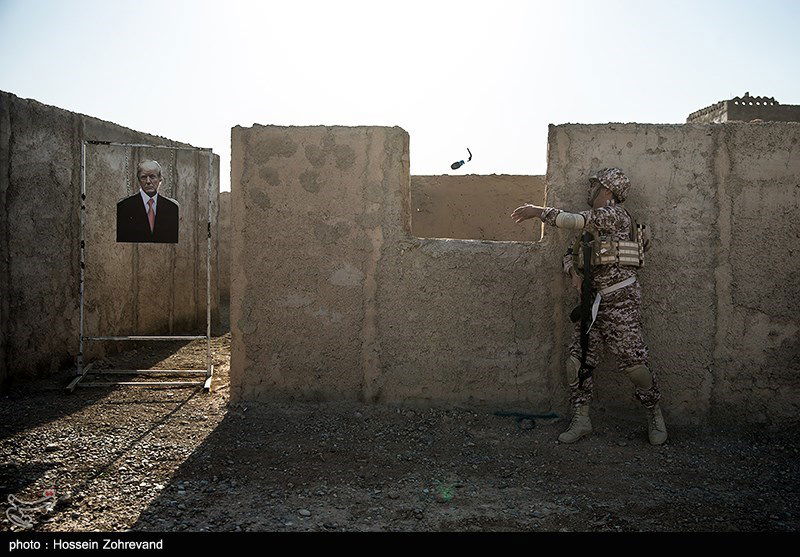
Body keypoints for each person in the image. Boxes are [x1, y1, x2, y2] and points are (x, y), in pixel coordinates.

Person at [510, 168, 667, 445]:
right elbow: (569, 255)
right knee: (577, 362)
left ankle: (654, 414)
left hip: (620, 300)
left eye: (595, 185)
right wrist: (574, 275)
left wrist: (538, 211)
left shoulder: (614, 214)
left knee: (634, 367)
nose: (590, 189)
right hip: (591, 302)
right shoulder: (593, 227)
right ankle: (581, 419)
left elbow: (571, 220)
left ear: (607, 191)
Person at [116, 160, 179, 243]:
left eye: (152, 177)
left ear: (160, 179)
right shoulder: (124, 207)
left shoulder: (172, 208)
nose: (148, 181)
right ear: (138, 179)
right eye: (144, 177)